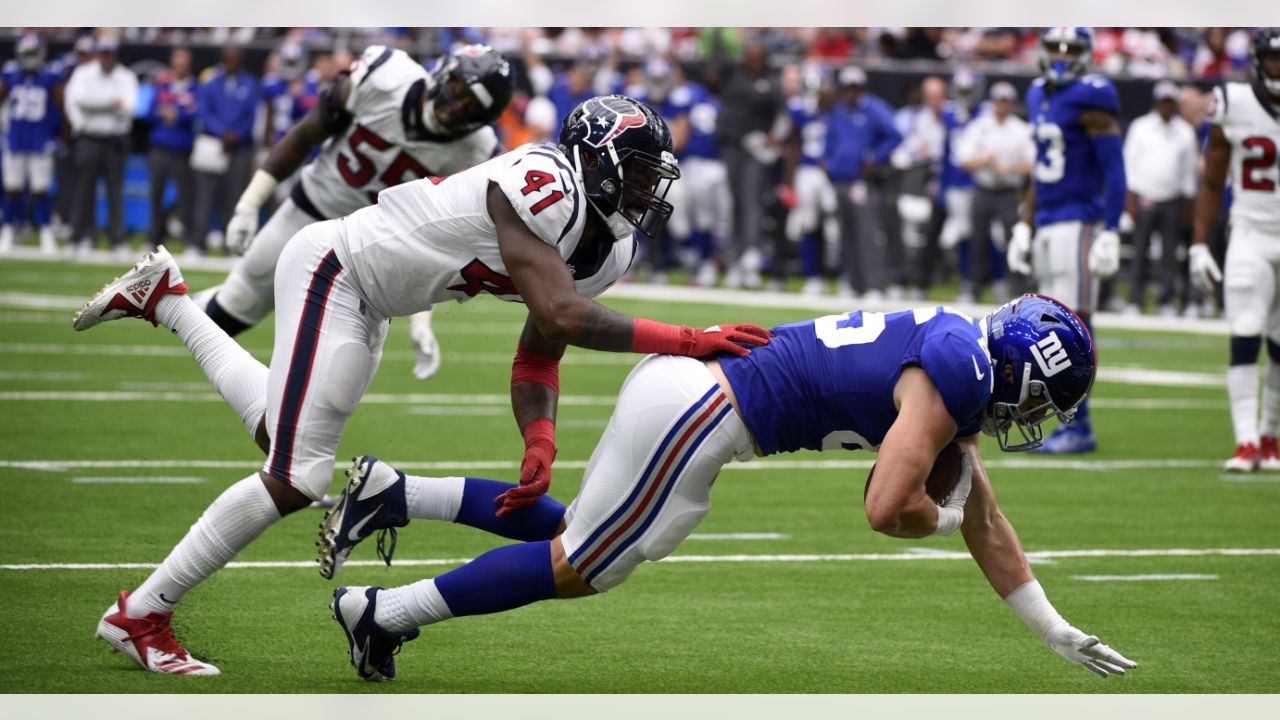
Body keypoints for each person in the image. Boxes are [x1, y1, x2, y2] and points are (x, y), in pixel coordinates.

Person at [73, 94, 771, 676]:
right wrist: (687, 338)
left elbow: (539, 352)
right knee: (296, 474)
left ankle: (168, 301)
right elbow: (564, 314)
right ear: (595, 160)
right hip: (336, 268)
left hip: (372, 300)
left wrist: (541, 437)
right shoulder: (543, 181)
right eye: (641, 171)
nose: (651, 189)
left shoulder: (608, 246)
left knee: (281, 436)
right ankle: (142, 614)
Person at [320, 295, 1136, 684]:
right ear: (1024, 371)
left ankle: (398, 494)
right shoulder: (955, 374)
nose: (1032, 416)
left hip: (693, 398)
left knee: (584, 534)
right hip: (705, 410)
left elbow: (985, 524)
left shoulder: (959, 350)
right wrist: (944, 509)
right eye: (1040, 399)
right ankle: (381, 614)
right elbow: (889, 508)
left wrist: (1054, 630)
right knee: (581, 565)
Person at [196, 44, 513, 385]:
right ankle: (170, 306)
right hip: (313, 208)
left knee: (336, 371)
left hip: (372, 249)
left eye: (471, 109)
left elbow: (435, 240)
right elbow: (306, 134)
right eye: (459, 92)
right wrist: (250, 202)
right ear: (444, 73)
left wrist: (421, 320)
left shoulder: (477, 150)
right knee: (238, 304)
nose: (455, 109)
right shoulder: (385, 76)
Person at [1006, 27, 1127, 455]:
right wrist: (1025, 221)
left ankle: (1081, 426)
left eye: (1070, 49)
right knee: (1047, 330)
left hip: (1080, 220)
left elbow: (1114, 168)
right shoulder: (1039, 93)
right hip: (1047, 219)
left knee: (1076, 326)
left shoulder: (1093, 94)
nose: (1061, 55)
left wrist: (1112, 228)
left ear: (1086, 55)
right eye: (1054, 47)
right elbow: (1040, 168)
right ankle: (1058, 420)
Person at [1188, 29, 1280, 472]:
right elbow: (1212, 179)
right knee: (1245, 329)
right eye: (1274, 59)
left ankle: (1270, 436)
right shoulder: (1235, 102)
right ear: (1260, 61)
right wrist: (1199, 243)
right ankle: (1245, 441)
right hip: (1250, 229)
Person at [1122, 80, 1199, 317]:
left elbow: (1189, 172)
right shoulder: (1140, 127)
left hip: (1173, 199)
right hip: (1144, 195)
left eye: (1170, 103)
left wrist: (1188, 205)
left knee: (1169, 253)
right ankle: (1135, 300)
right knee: (1140, 250)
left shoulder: (1184, 131)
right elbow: (1129, 164)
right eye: (1163, 102)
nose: (1166, 107)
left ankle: (1166, 300)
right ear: (1156, 103)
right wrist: (1130, 200)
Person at [825, 64, 902, 300]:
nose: (851, 91)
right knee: (846, 233)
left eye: (855, 87)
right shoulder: (838, 112)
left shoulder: (873, 109)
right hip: (839, 180)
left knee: (867, 234)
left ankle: (874, 284)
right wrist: (829, 163)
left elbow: (894, 135)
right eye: (848, 87)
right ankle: (853, 282)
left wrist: (875, 158)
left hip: (862, 181)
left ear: (863, 88)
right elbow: (830, 141)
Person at [954, 81, 1034, 304]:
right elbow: (963, 159)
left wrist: (1010, 169)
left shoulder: (1021, 129)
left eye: (1006, 102)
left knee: (1013, 239)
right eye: (999, 101)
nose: (1002, 106)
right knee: (978, 240)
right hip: (983, 188)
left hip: (1009, 191)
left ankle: (1017, 289)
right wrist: (986, 161)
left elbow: (1032, 163)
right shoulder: (979, 126)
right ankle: (973, 287)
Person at [63, 35, 137, 256]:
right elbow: (77, 101)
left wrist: (96, 104)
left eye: (110, 54)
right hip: (88, 137)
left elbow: (130, 106)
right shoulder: (83, 73)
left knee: (115, 192)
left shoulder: (126, 76)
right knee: (83, 191)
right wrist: (110, 103)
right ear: (97, 54)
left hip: (114, 140)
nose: (106, 58)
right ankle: (78, 237)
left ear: (115, 55)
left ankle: (117, 240)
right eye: (103, 54)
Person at [190, 46, 260, 256]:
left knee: (235, 196)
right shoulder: (211, 82)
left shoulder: (250, 83)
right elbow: (203, 111)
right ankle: (197, 242)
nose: (232, 62)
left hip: (239, 147)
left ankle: (231, 244)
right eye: (228, 59)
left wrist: (236, 134)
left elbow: (252, 115)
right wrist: (222, 132)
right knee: (205, 195)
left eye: (235, 59)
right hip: (214, 145)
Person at [0, 33, 62, 255]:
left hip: (40, 139)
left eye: (33, 53)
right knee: (12, 188)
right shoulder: (9, 74)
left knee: (40, 190)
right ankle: (7, 232)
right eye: (27, 53)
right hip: (15, 138)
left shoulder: (50, 76)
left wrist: (56, 135)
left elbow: (59, 106)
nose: (29, 58)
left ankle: (46, 234)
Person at [145, 47, 197, 252]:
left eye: (183, 64)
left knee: (186, 197)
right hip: (160, 149)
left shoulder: (194, 88)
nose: (180, 67)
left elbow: (195, 115)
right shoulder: (163, 85)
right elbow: (149, 113)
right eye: (177, 63)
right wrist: (167, 113)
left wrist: (178, 115)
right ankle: (153, 239)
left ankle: (190, 240)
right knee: (155, 195)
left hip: (182, 151)